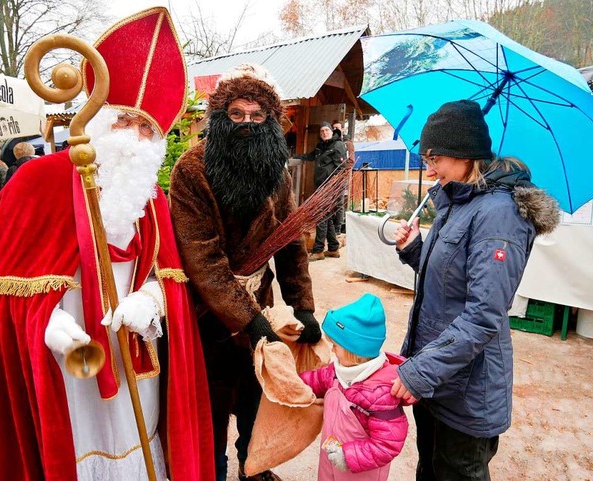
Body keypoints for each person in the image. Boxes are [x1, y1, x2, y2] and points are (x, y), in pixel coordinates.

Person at [0, 7, 213, 481]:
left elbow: (171, 277)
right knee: (78, 442)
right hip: (70, 351)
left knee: (137, 437)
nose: (133, 141)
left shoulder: (151, 196)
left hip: (133, 349)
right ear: (97, 118)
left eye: (147, 130)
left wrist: (151, 300)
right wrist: (45, 320)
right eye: (124, 122)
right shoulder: (38, 180)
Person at [389, 100, 560, 481]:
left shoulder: (499, 214)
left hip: (466, 391)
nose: (429, 168)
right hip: (436, 377)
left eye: (435, 158)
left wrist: (420, 373)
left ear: (465, 155)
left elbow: (483, 315)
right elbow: (450, 281)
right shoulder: (458, 202)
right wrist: (415, 250)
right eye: (426, 157)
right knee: (430, 469)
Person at [169, 63, 321, 481]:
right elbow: (202, 256)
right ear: (221, 116)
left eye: (258, 116)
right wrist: (247, 320)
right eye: (237, 114)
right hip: (209, 311)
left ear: (272, 120)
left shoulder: (275, 168)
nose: (248, 124)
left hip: (261, 301)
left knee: (258, 394)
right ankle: (212, 471)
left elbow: (290, 240)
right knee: (214, 401)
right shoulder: (192, 168)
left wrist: (302, 305)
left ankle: (253, 467)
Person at [300, 293, 409, 481]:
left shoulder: (381, 393)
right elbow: (316, 379)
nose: (332, 350)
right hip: (330, 457)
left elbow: (388, 443)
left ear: (355, 351)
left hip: (360, 469)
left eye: (335, 345)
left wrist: (348, 456)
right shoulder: (339, 370)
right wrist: (293, 384)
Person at [295, 121, 347, 260]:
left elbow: (342, 168)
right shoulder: (320, 147)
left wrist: (334, 189)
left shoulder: (338, 145)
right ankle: (333, 248)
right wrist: (294, 157)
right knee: (327, 218)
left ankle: (318, 250)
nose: (324, 133)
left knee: (320, 217)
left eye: (326, 130)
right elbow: (309, 156)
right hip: (320, 187)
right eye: (322, 131)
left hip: (330, 188)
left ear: (332, 131)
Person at [331, 120, 355, 240]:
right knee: (330, 203)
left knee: (339, 202)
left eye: (337, 128)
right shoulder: (331, 143)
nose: (335, 130)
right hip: (330, 177)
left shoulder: (347, 143)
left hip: (341, 177)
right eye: (333, 128)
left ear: (342, 129)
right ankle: (330, 228)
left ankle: (337, 228)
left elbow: (351, 161)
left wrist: (343, 175)